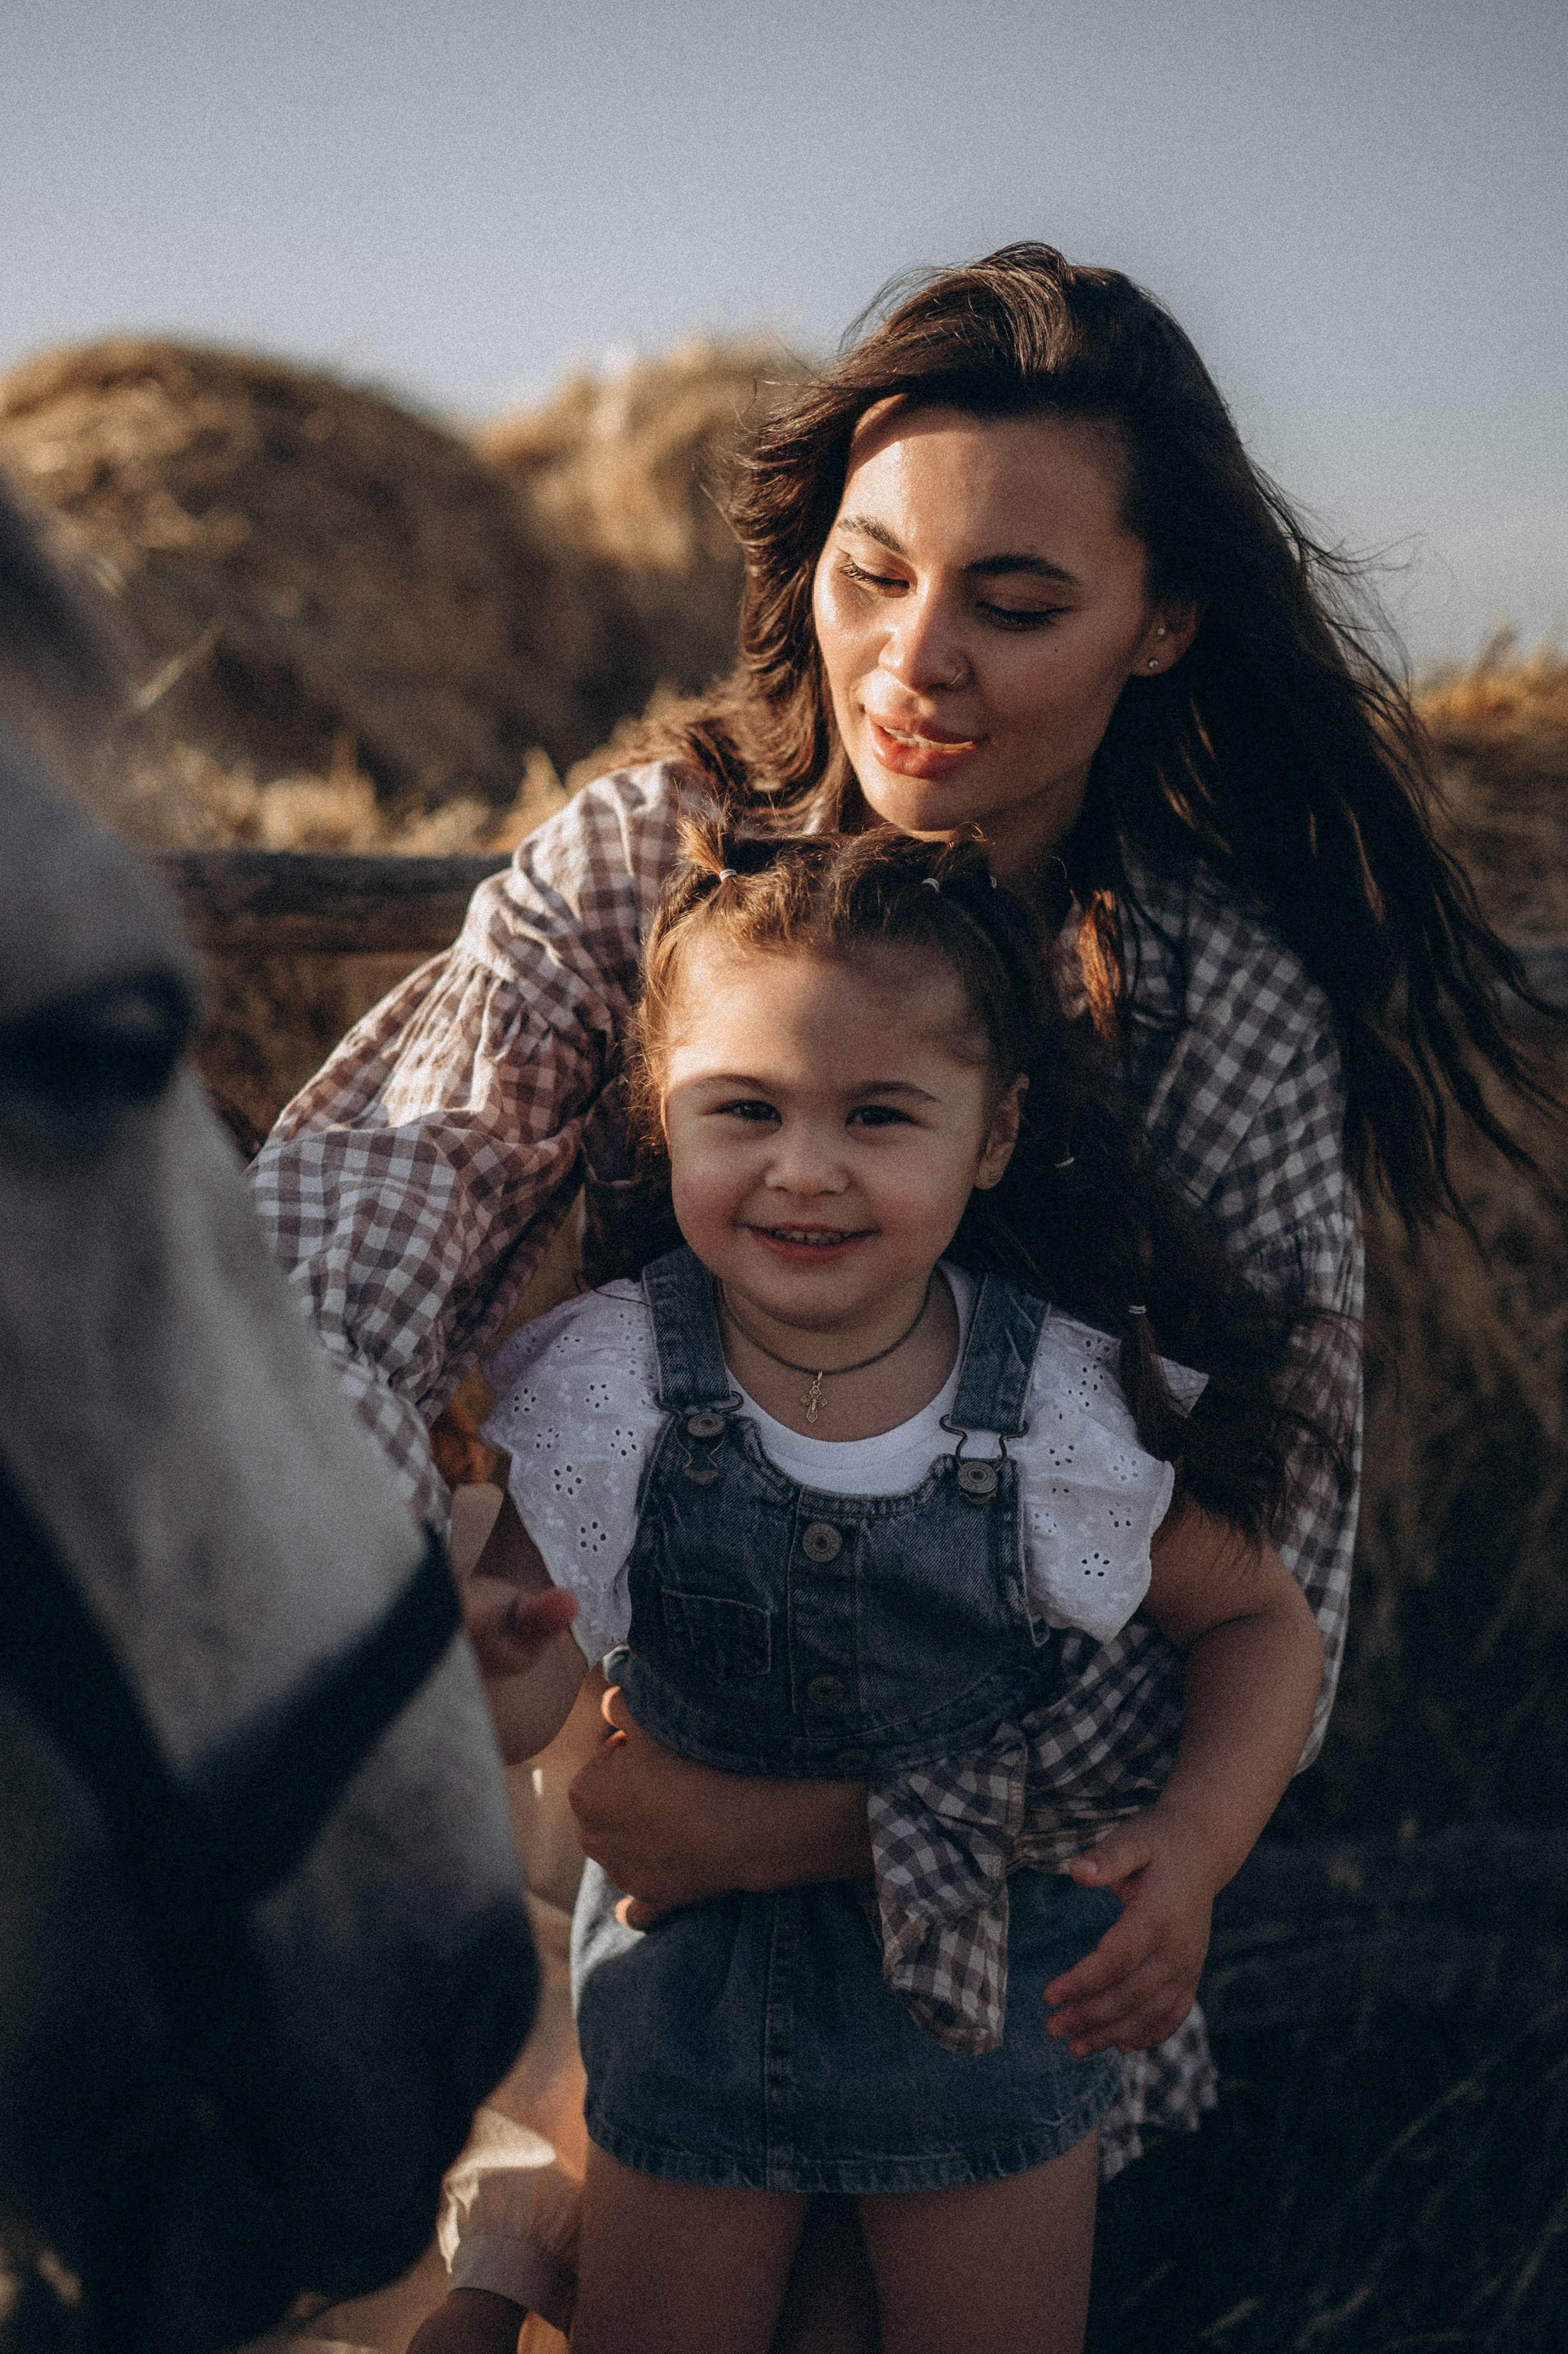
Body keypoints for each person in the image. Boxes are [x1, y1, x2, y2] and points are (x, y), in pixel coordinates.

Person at [251, 242, 1545, 2298]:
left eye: (1014, 603)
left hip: (1017, 1911)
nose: (911, 660)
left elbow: (1264, 1574)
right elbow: (365, 1204)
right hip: (654, 1854)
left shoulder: (1222, 1008)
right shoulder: (649, 864)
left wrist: (821, 1823)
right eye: (871, 574)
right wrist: (388, 1564)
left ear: (1160, 624)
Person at [415, 822, 1327, 2354]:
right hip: (692, 1984)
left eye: (881, 1114)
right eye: (745, 1109)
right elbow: (525, 1688)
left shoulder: (1059, 1404)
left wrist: (1194, 1841)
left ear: (994, 1130)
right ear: (662, 1110)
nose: (807, 1168)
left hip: (989, 2000)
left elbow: (1257, 1618)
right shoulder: (612, 1378)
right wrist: (493, 1657)